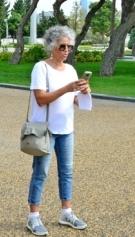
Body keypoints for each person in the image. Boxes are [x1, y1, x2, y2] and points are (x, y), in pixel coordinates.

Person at [26, 26, 91, 236]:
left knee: (67, 173)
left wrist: (84, 92)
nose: (66, 50)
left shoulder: (70, 70)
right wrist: (66, 88)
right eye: (62, 46)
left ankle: (66, 212)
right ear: (51, 46)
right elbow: (41, 98)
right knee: (41, 173)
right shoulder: (41, 68)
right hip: (45, 131)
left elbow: (74, 100)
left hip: (66, 129)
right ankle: (33, 217)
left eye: (69, 47)